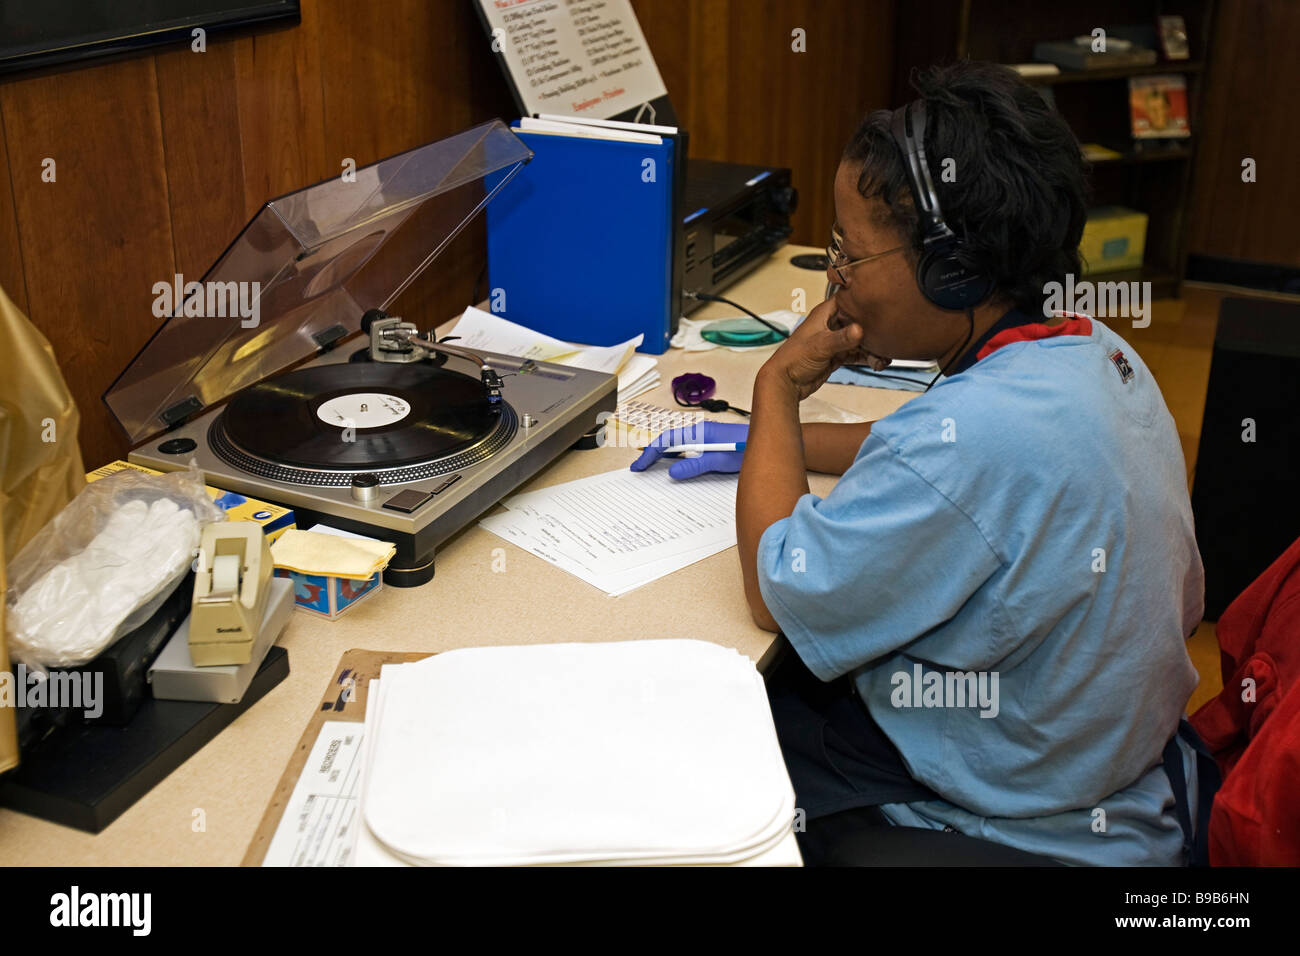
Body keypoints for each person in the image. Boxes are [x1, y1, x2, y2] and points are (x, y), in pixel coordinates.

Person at [631, 61, 1207, 866]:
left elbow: (773, 590)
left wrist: (777, 388)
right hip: (1102, 759)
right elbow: (939, 460)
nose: (833, 278)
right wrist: (759, 449)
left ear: (954, 270)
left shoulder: (972, 440)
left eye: (849, 253)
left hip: (1005, 810)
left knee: (693, 727)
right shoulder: (1098, 353)